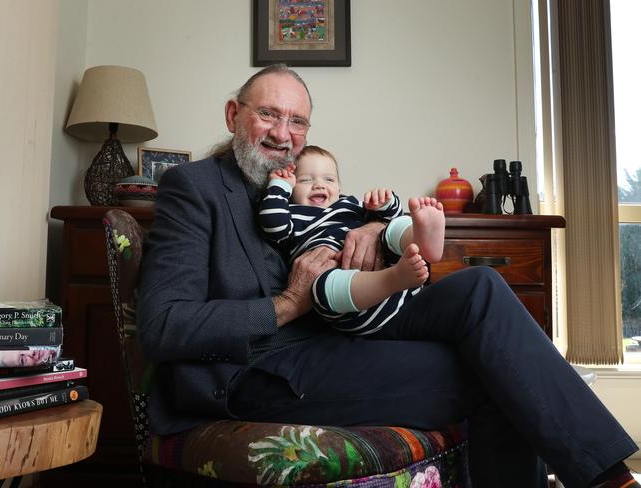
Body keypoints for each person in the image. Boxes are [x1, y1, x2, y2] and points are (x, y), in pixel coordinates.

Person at [138, 64, 639, 487]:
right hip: (256, 372)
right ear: (233, 115)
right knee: (493, 374)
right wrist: (289, 303)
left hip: (339, 333)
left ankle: (608, 478)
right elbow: (164, 326)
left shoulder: (303, 183)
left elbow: (351, 215)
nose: (282, 134)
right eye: (267, 114)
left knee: (480, 288)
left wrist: (378, 228)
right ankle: (606, 480)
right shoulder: (193, 188)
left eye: (298, 122)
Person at [258, 144, 443, 335]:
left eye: (329, 179)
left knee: (392, 228)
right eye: (305, 180)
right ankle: (394, 278)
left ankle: (423, 240)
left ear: (339, 187)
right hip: (354, 302)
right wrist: (279, 185)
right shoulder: (293, 214)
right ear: (291, 188)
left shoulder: (349, 204)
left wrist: (385, 203)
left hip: (395, 280)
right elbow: (273, 224)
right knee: (320, 289)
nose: (319, 185)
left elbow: (391, 216)